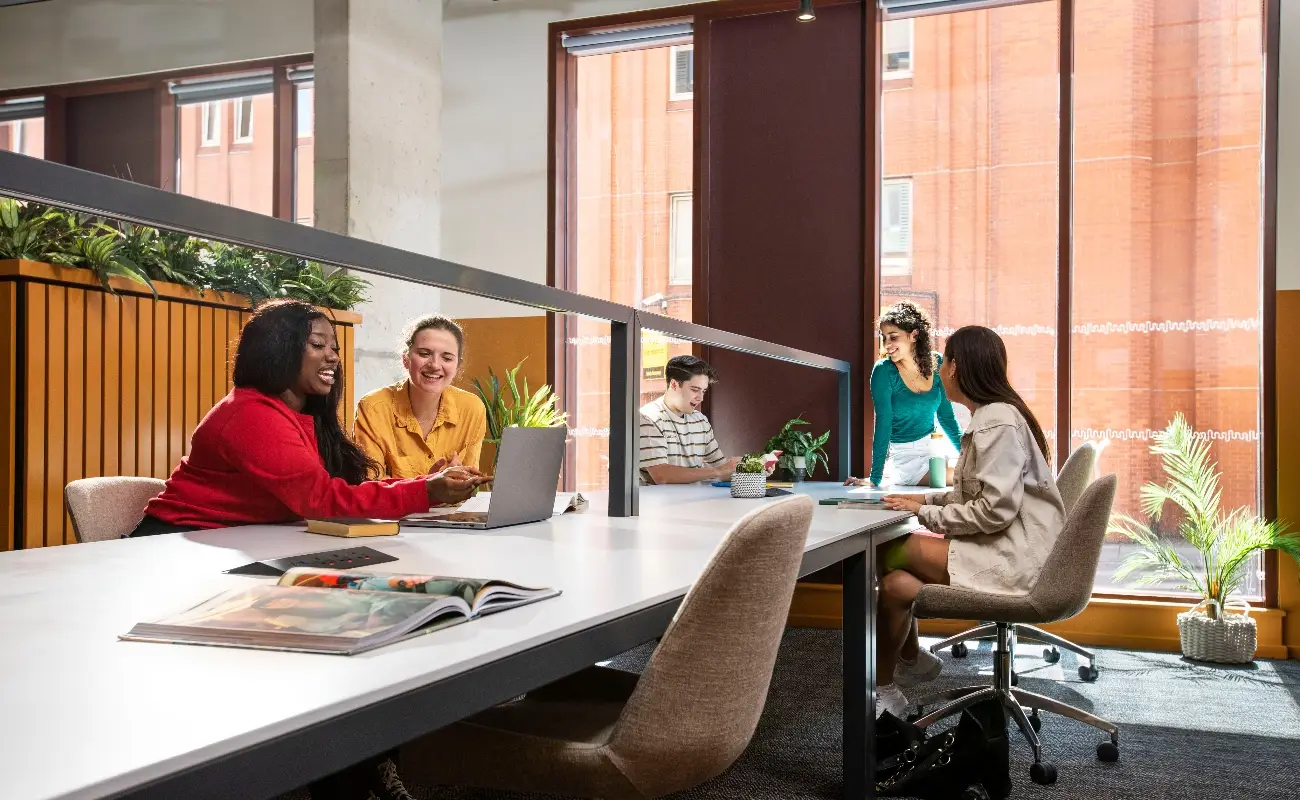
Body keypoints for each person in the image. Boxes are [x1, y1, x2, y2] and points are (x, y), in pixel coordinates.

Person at [135, 300, 491, 536]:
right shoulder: (250, 414)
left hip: (241, 538)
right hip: (175, 542)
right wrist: (424, 490)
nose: (333, 357)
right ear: (280, 350)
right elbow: (324, 502)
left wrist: (423, 488)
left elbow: (342, 491)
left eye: (334, 348)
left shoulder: (301, 415)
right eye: (318, 346)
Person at [871, 325, 1066, 719]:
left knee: (889, 550)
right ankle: (889, 682)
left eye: (944, 361)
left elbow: (994, 510)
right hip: (1012, 545)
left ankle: (903, 663)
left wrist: (925, 512)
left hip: (1015, 556)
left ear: (957, 368)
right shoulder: (993, 415)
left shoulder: (996, 421)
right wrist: (924, 499)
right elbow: (976, 494)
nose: (939, 369)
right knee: (896, 585)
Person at [354, 315, 488, 478]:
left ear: (457, 366)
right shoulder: (373, 408)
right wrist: (428, 488)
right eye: (424, 353)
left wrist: (460, 483)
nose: (435, 365)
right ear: (406, 359)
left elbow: (470, 480)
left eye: (446, 358)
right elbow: (370, 486)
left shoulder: (472, 408)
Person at [845, 301, 963, 488]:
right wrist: (875, 479)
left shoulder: (937, 362)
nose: (887, 345)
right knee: (965, 479)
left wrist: (967, 456)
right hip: (906, 458)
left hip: (935, 448)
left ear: (914, 335)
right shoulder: (883, 371)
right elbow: (883, 424)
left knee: (973, 472)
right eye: (884, 338)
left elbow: (946, 417)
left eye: (893, 337)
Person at [638, 355, 740, 485]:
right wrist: (717, 471)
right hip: (658, 504)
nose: (701, 398)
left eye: (703, 391)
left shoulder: (701, 421)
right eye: (695, 390)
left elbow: (723, 469)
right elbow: (661, 475)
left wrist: (753, 468)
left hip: (692, 503)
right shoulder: (648, 417)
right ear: (674, 384)